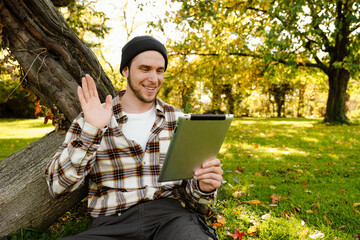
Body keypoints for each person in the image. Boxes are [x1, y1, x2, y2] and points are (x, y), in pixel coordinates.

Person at [45, 35, 223, 240]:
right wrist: (92, 130)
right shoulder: (94, 117)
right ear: (125, 70)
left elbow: (195, 197)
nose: (154, 79)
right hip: (112, 225)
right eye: (145, 69)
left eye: (159, 71)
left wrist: (203, 186)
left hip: (170, 220)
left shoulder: (178, 120)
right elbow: (57, 186)